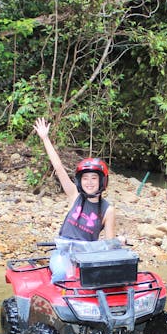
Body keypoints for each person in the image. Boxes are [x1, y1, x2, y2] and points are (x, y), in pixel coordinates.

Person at [33, 118, 117, 279]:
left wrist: (118, 242)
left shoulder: (108, 210)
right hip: (63, 253)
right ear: (80, 181)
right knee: (64, 274)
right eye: (85, 178)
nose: (89, 182)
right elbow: (58, 167)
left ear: (102, 181)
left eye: (94, 178)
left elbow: (109, 246)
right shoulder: (74, 194)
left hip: (87, 256)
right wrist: (45, 138)